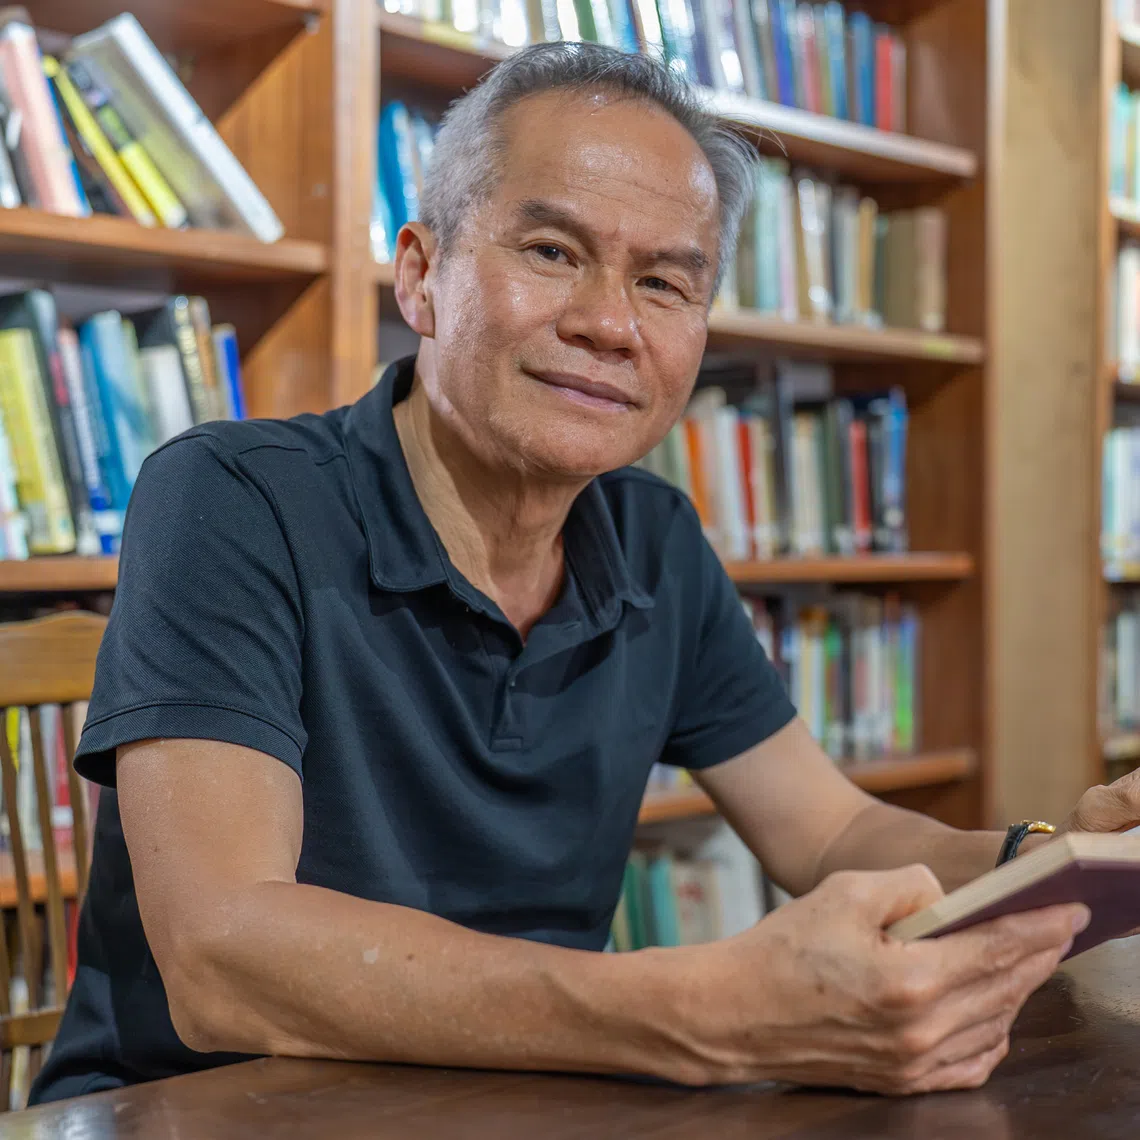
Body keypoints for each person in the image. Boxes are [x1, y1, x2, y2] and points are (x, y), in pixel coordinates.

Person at [30, 42, 1140, 1105]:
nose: (611, 323)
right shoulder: (231, 497)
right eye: (554, 251)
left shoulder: (653, 536)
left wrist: (1061, 858)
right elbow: (223, 955)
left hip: (520, 1103)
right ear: (420, 276)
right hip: (205, 1113)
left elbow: (834, 833)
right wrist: (693, 1009)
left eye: (665, 282)